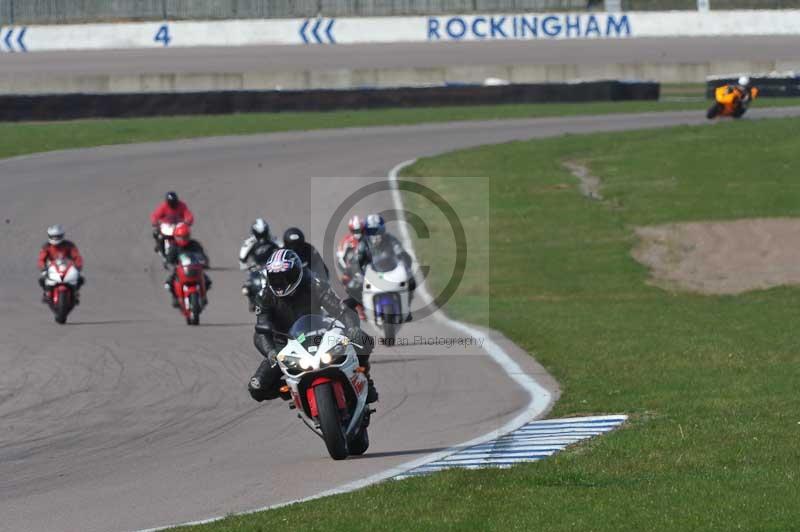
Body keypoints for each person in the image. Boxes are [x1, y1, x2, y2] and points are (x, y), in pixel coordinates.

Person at [248, 248, 377, 404]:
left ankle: (364, 379)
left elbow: (340, 309)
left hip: (318, 334)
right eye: (275, 278)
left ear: (296, 273)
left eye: (285, 276)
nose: (280, 282)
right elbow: (261, 330)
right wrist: (270, 352)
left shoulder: (314, 284)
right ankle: (292, 389)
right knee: (257, 388)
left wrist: (352, 328)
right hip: (285, 345)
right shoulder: (264, 296)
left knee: (363, 340)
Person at [356, 213, 416, 319]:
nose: (375, 234)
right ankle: (363, 309)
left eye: (377, 231)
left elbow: (400, 251)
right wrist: (359, 271)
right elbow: (358, 260)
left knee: (411, 281)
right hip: (372, 272)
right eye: (371, 231)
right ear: (366, 232)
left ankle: (406, 306)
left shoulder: (390, 239)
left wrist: (404, 260)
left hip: (391, 268)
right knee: (355, 286)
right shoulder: (363, 244)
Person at [164, 222, 212, 307]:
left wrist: (205, 262)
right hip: (179, 270)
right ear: (176, 236)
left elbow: (202, 255)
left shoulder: (194, 244)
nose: (183, 239)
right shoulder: (174, 246)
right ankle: (175, 297)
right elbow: (169, 259)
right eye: (180, 237)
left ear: (189, 236)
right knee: (169, 283)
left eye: (185, 237)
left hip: (195, 268)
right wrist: (169, 264)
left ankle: (203, 296)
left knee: (207, 281)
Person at [240, 218, 279, 312]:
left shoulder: (273, 240)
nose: (262, 237)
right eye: (259, 234)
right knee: (247, 286)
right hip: (256, 267)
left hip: (272, 266)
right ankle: (252, 300)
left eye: (263, 234)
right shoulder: (250, 242)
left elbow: (283, 249)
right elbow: (242, 257)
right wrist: (245, 266)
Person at [38, 224, 84, 303]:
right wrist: (43, 268)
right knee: (42, 279)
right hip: (52, 267)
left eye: (57, 236)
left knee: (80, 279)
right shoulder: (47, 246)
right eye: (53, 236)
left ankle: (75, 293)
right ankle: (46, 293)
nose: (55, 239)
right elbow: (41, 259)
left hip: (66, 266)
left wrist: (78, 267)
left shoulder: (69, 245)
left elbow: (77, 257)